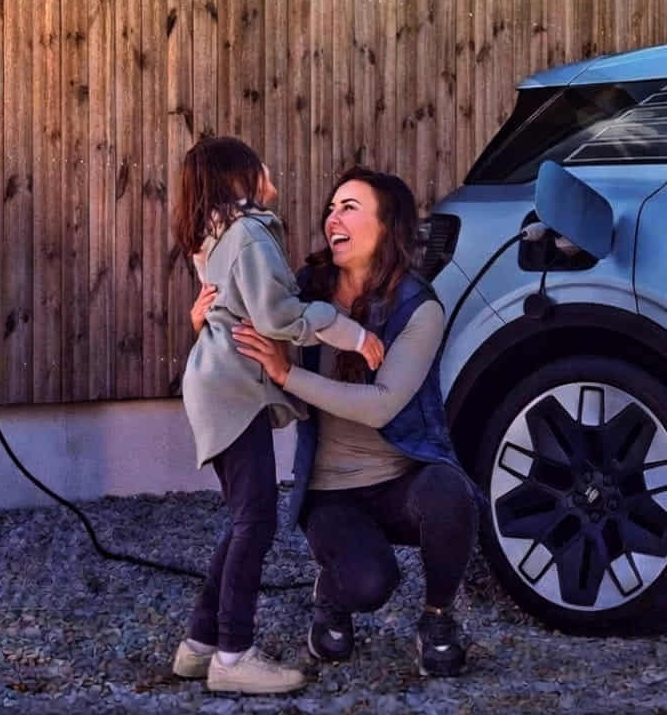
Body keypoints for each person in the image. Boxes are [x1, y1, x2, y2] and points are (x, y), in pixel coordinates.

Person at [231, 167, 480, 677]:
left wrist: (288, 376)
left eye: (349, 207)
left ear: (388, 227)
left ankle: (437, 619)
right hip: (331, 491)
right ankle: (333, 593)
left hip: (401, 481)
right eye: (331, 207)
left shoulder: (418, 307)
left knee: (451, 492)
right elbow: (244, 331)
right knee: (370, 584)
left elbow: (381, 405)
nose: (332, 218)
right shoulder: (304, 290)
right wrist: (206, 321)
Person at [170, 137, 383, 694]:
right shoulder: (249, 233)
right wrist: (352, 333)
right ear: (240, 178)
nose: (269, 167)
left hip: (220, 387)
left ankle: (200, 644)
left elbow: (230, 306)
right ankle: (234, 657)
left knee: (247, 517)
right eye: (258, 162)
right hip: (232, 391)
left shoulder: (219, 236)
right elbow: (280, 314)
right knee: (256, 522)